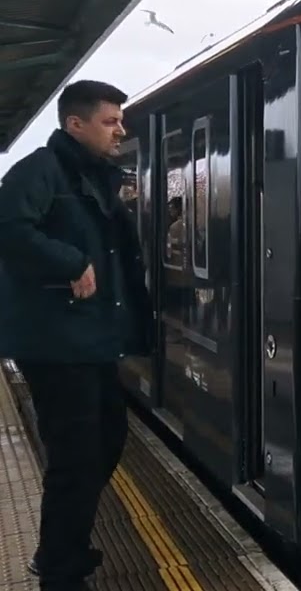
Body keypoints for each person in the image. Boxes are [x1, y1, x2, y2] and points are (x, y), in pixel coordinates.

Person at [0, 79, 153, 590]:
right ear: (75, 124)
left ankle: (63, 546)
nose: (120, 130)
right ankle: (59, 567)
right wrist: (70, 261)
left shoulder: (95, 176)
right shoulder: (41, 171)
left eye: (119, 120)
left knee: (106, 441)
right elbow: (9, 228)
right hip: (57, 341)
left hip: (90, 340)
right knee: (76, 456)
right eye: (110, 121)